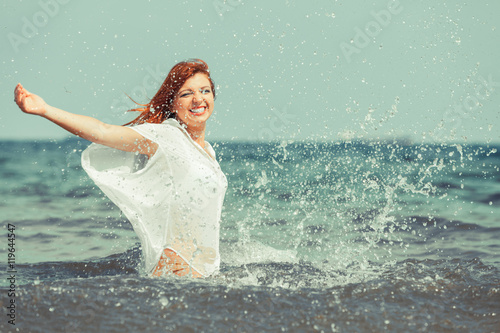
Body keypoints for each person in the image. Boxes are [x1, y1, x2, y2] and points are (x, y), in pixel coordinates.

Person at [14, 59, 228, 278]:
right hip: (178, 271)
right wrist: (45, 110)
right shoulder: (167, 137)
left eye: (205, 90)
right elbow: (103, 131)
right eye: (186, 94)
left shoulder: (208, 152)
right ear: (173, 103)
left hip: (201, 274)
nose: (198, 99)